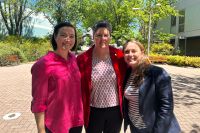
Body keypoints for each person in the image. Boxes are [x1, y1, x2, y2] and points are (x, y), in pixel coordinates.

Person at [31, 22, 84, 133]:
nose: (68, 39)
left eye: (71, 36)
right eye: (63, 35)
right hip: (57, 124)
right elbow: (38, 101)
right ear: (55, 37)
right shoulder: (43, 65)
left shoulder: (73, 59)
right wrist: (41, 130)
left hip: (76, 120)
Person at [77, 20, 126, 133]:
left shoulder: (119, 56)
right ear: (93, 36)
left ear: (110, 37)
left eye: (105, 35)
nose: (102, 38)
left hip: (115, 111)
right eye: (98, 35)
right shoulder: (82, 59)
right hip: (93, 111)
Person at [123, 39, 181, 133]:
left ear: (142, 52)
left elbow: (166, 107)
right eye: (126, 52)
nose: (130, 54)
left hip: (155, 128)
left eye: (134, 51)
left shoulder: (158, 73)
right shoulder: (128, 73)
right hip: (136, 127)